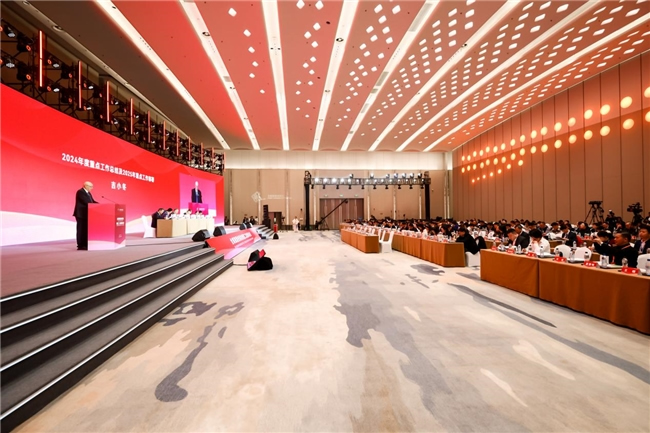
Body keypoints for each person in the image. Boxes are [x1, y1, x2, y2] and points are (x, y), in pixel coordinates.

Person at [73, 181, 99, 250]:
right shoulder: (80, 192)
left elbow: (92, 201)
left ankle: (85, 244)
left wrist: (99, 204)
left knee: (85, 229)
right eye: (90, 186)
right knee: (81, 230)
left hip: (86, 214)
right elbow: (87, 202)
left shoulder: (88, 193)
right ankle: (80, 245)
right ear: (85, 186)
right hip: (81, 214)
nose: (92, 188)